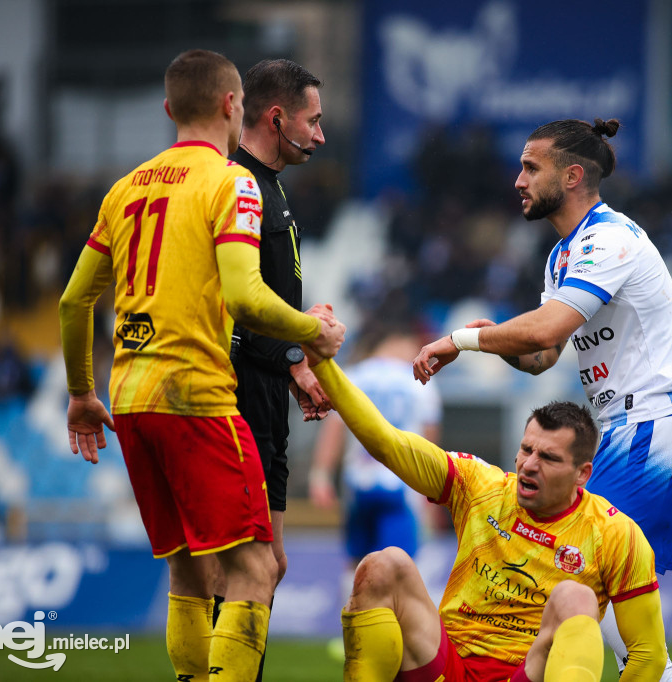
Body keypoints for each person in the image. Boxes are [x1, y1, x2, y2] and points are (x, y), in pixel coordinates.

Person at [58, 49, 345, 682]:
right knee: (256, 569)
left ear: (167, 110)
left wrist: (81, 393)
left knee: (189, 568)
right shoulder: (232, 182)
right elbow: (244, 298)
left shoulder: (125, 187)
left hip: (131, 399)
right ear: (231, 105)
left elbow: (74, 300)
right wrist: (311, 335)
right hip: (198, 397)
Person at [413, 118, 672, 679]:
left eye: (530, 167)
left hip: (650, 428)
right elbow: (543, 355)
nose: (518, 181)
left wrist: (462, 339)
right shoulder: (562, 255)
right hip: (628, 427)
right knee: (614, 611)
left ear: (572, 176)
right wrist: (496, 345)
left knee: (586, 588)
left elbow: (546, 331)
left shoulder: (608, 239)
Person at [303, 341, 668, 681]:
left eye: (549, 458)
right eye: (527, 450)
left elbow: (647, 654)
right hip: (450, 665)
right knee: (383, 565)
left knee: (576, 598)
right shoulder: (480, 486)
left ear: (582, 474)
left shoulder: (615, 533)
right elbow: (388, 443)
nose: (529, 465)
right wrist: (322, 365)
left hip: (526, 671)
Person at [211, 58, 330, 678]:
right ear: (276, 116)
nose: (320, 134)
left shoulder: (271, 184)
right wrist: (295, 351)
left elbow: (268, 304)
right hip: (236, 393)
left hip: (266, 389)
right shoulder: (236, 182)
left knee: (267, 564)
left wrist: (293, 361)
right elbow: (237, 308)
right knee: (240, 566)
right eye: (312, 121)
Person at [309, 327, 442, 568]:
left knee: (357, 563)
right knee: (401, 568)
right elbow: (430, 442)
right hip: (402, 484)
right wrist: (433, 495)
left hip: (359, 481)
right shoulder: (419, 380)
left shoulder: (353, 375)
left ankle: (352, 604)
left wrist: (321, 474)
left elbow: (334, 429)